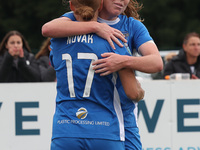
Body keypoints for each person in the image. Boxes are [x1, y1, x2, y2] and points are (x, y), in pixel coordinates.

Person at [42, 0, 163, 149]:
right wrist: (97, 27)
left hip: (72, 125)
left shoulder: (132, 26)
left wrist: (123, 61)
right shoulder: (82, 22)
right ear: (100, 2)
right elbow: (134, 93)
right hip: (108, 122)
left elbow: (156, 62)